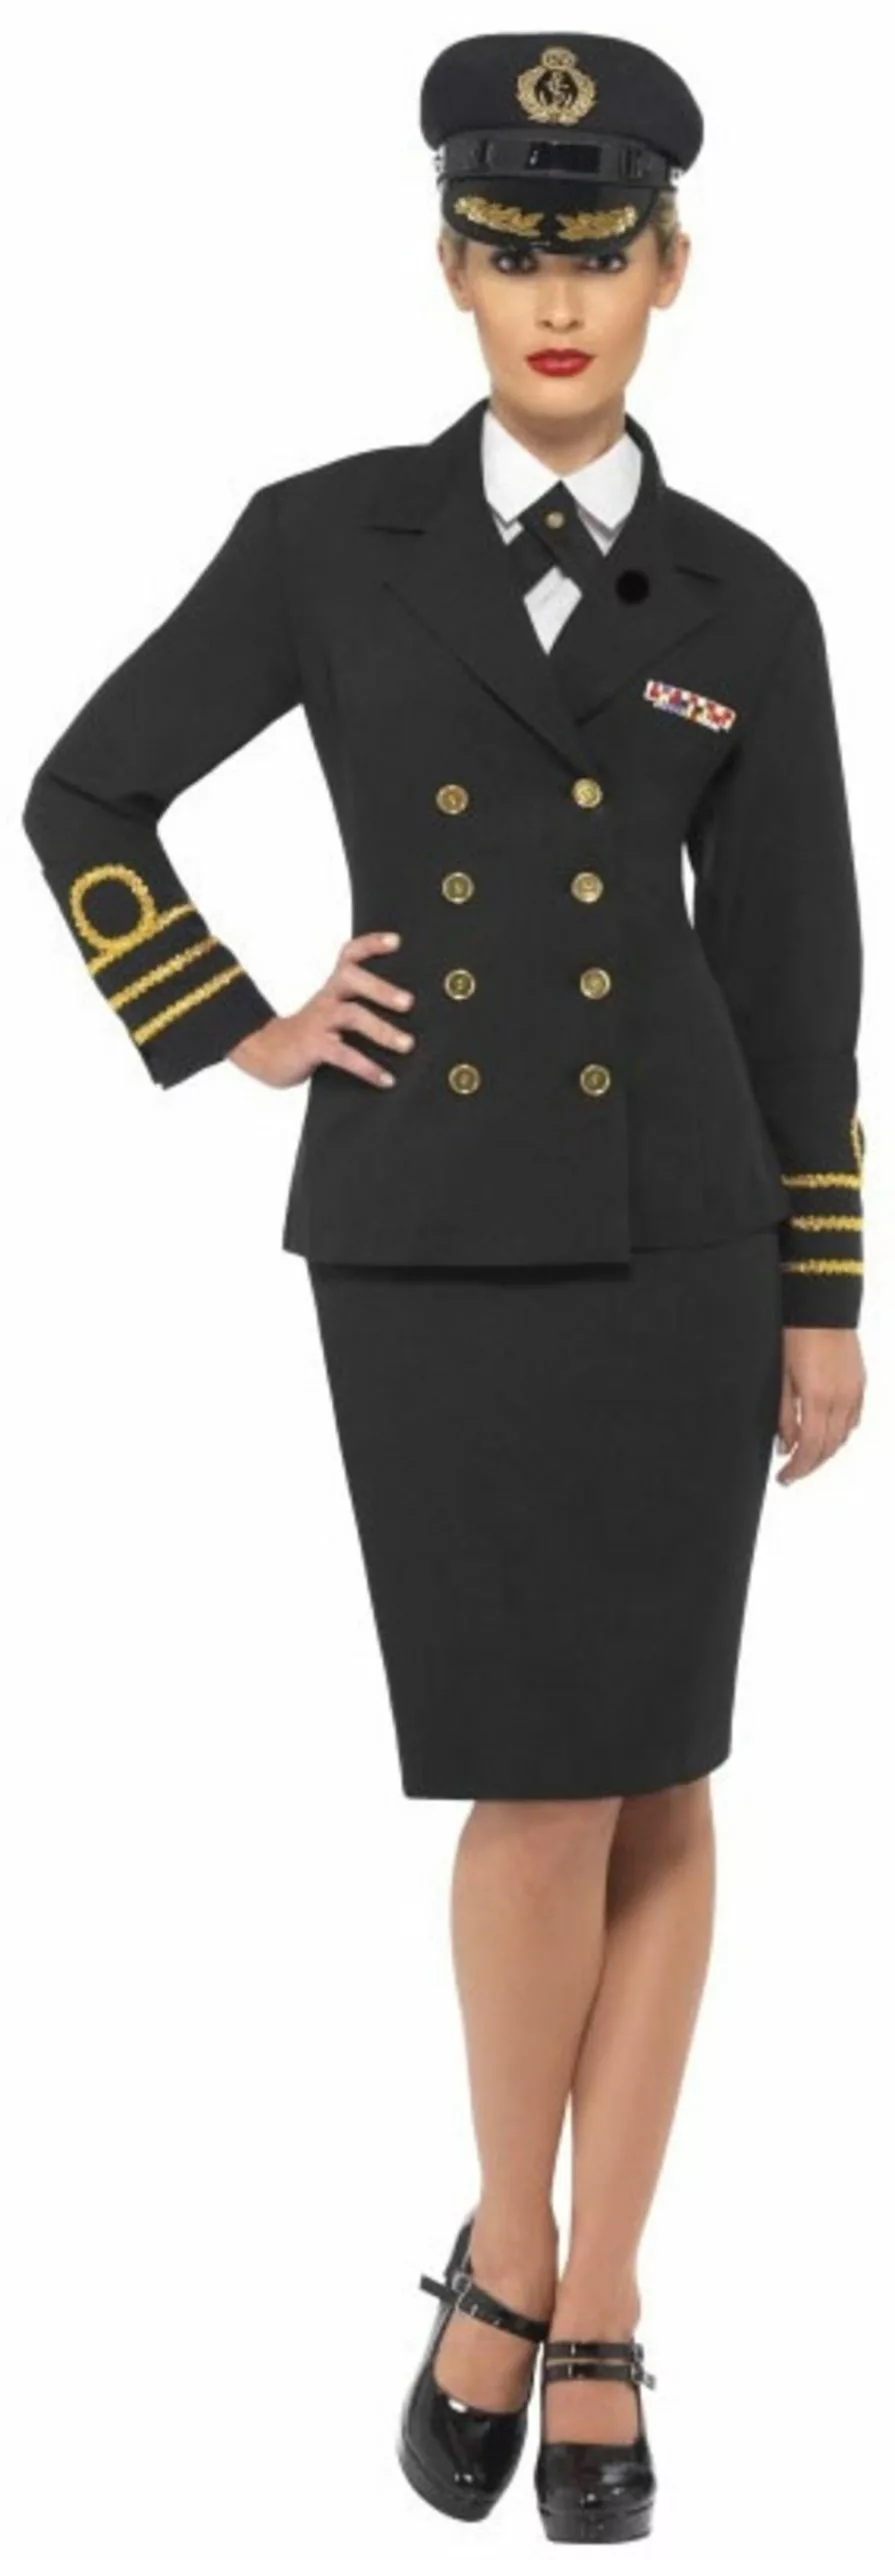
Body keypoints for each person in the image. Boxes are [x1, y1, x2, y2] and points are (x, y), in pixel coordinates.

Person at [21, 27, 867, 2545]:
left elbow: (797, 978)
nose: (556, 295)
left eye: (598, 251)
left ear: (673, 269)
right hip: (428, 1240)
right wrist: (234, 1015)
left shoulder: (749, 594)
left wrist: (823, 1286)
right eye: (513, 251)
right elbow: (83, 787)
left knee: (666, 1760)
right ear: (452, 272)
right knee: (536, 1769)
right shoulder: (327, 538)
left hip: (682, 1236)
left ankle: (592, 2292)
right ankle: (510, 2249)